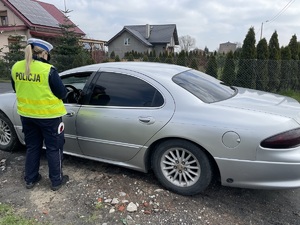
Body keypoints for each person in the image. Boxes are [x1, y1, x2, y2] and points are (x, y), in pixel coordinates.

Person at [11, 38, 69, 191]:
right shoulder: (48, 70)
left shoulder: (16, 67)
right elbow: (62, 93)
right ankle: (56, 181)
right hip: (49, 118)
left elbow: (16, 89)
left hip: (27, 116)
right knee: (54, 148)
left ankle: (30, 179)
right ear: (44, 53)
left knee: (32, 147)